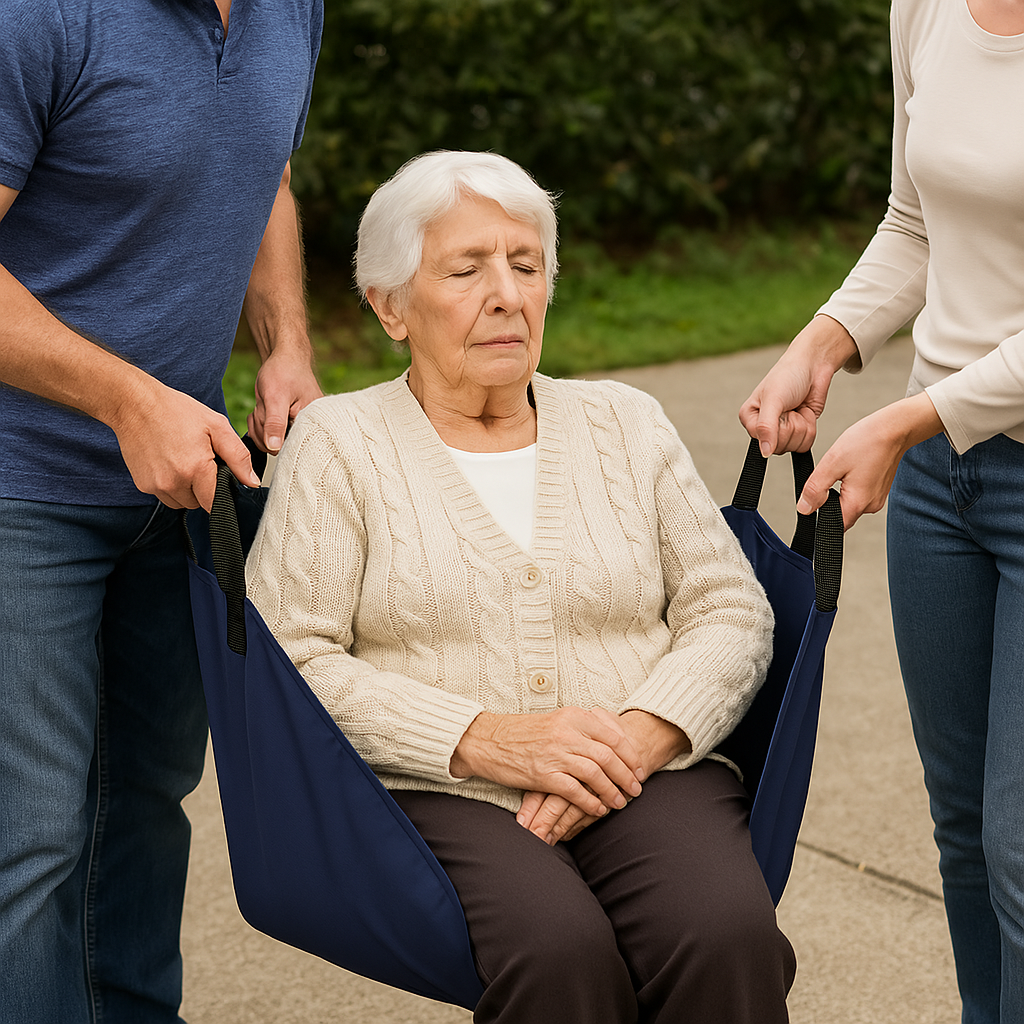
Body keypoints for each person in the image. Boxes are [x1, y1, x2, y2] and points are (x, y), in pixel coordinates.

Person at [246, 150, 796, 1023]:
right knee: (556, 953)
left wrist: (634, 739)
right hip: (438, 786)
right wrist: (488, 739)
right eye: (466, 270)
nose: (507, 292)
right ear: (389, 307)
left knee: (725, 933)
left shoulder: (625, 421)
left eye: (527, 265)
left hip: (644, 767)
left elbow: (728, 609)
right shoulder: (339, 444)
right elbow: (290, 662)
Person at [0, 1, 322, 1021]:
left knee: (144, 807)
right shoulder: (38, 18)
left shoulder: (290, 8)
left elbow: (263, 177)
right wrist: (127, 398)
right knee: (32, 835)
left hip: (179, 485)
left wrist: (285, 345)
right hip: (21, 486)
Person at [740, 1, 1024, 1020]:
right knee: (959, 831)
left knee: (1020, 846)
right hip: (944, 487)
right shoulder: (929, 5)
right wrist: (817, 345)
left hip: (964, 443)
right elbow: (913, 218)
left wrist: (906, 419)